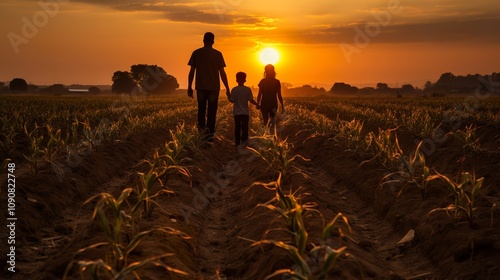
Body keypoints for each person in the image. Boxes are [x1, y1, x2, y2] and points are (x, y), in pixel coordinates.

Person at [187, 32, 230, 143]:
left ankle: (201, 134)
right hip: (214, 88)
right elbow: (222, 73)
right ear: (213, 42)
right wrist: (227, 88)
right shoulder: (218, 54)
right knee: (212, 112)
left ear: (203, 40)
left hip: (200, 86)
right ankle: (209, 138)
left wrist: (189, 86)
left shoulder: (196, 53)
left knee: (201, 110)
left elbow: (192, 72)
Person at [228, 72, 260, 146]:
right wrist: (258, 105)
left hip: (237, 113)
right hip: (245, 113)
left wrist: (228, 96)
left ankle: (237, 142)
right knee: (245, 128)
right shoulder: (247, 89)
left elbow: (231, 100)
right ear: (245, 80)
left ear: (236, 80)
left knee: (237, 128)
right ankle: (244, 142)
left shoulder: (234, 90)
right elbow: (251, 100)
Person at [257, 64, 284, 132]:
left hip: (264, 103)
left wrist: (257, 103)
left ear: (265, 71)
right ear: (273, 71)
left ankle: (266, 135)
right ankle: (272, 135)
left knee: (265, 120)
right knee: (272, 120)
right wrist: (282, 106)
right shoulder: (277, 82)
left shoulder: (262, 81)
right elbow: (279, 95)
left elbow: (259, 94)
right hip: (273, 103)